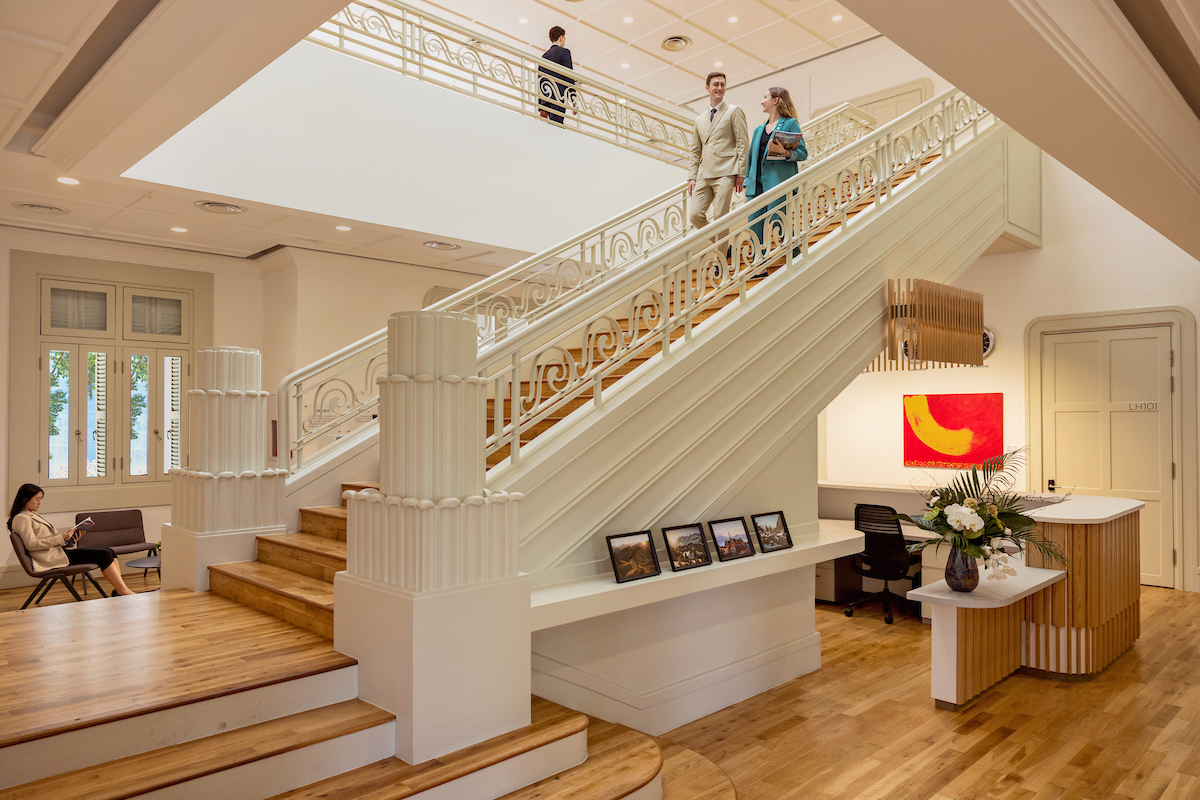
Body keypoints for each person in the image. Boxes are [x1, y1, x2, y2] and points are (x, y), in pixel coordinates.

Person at [8, 483, 136, 596]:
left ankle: (121, 590)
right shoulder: (21, 518)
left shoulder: (30, 515)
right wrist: (60, 538)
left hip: (59, 553)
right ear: (25, 500)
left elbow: (46, 541)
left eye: (40, 499)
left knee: (109, 552)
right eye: (37, 499)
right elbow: (31, 544)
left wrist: (69, 540)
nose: (40, 503)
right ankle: (123, 591)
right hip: (52, 560)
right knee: (104, 554)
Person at [745, 87, 808, 260]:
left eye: (765, 97)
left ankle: (794, 252)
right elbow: (751, 159)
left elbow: (802, 153)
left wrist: (784, 151)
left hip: (778, 182)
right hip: (756, 185)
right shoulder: (758, 130)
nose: (761, 101)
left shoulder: (790, 123)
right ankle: (759, 262)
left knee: (776, 219)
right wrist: (747, 186)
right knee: (754, 224)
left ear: (776, 100)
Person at [687, 72, 750, 240]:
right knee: (694, 215)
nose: (719, 88)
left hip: (725, 172)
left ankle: (719, 263)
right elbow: (695, 151)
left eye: (722, 84)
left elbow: (743, 143)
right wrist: (692, 176)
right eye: (716, 84)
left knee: (720, 219)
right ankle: (721, 244)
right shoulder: (699, 120)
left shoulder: (734, 111)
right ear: (707, 88)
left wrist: (742, 173)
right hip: (704, 175)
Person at [539, 26, 577, 125]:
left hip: (546, 98)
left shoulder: (543, 57)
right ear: (560, 37)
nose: (564, 41)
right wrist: (574, 100)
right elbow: (568, 76)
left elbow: (540, 80)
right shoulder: (564, 52)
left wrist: (541, 106)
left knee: (550, 129)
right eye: (564, 38)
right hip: (558, 97)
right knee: (557, 127)